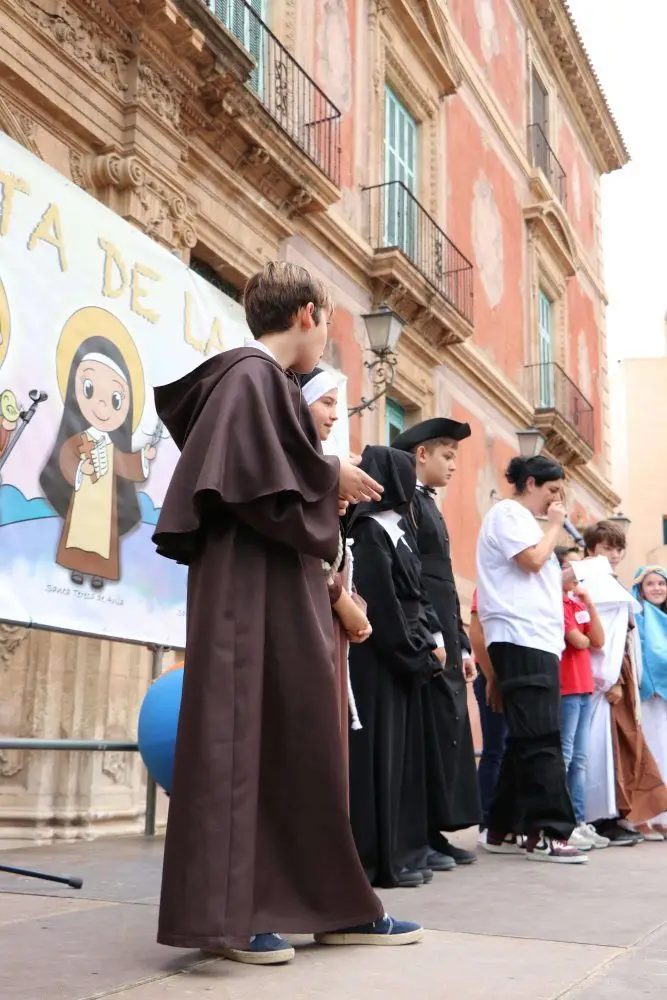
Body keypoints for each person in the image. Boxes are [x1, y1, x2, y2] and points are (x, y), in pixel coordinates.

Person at [152, 261, 423, 966]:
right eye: (326, 323)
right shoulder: (251, 375)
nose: (325, 338)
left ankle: (328, 905)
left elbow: (264, 479)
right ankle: (231, 916)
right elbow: (253, 486)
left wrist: (322, 479)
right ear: (306, 315)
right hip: (248, 592)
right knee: (240, 736)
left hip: (272, 583)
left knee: (295, 738)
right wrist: (329, 476)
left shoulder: (258, 382)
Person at [476, 454, 585, 863]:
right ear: (530, 483)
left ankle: (501, 826)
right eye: (552, 490)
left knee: (526, 736)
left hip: (533, 641)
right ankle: (549, 833)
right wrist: (555, 525)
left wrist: (565, 577)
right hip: (521, 639)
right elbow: (532, 561)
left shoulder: (523, 522)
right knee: (542, 737)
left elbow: (533, 575)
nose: (557, 500)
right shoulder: (508, 514)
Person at [347, 445, 441, 888]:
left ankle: (402, 853)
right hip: (381, 661)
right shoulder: (370, 530)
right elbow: (381, 604)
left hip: (403, 659)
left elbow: (415, 595)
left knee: (400, 762)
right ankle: (378, 860)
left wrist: (426, 645)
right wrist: (413, 652)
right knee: (378, 760)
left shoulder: (394, 529)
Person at [392, 418, 480, 867]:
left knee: (446, 732)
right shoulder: (406, 503)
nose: (453, 466)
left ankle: (436, 829)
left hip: (445, 635)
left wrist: (461, 644)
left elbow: (445, 583)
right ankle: (419, 834)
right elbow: (413, 580)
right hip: (426, 636)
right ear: (421, 454)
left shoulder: (428, 503)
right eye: (447, 456)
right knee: (426, 733)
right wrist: (431, 635)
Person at [300, 367, 372, 776]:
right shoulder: (300, 472)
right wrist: (344, 603)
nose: (334, 415)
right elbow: (308, 557)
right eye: (326, 403)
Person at [582, 522, 667, 846]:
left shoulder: (608, 582)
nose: (614, 555)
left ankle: (613, 816)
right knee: (599, 751)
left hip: (618, 681)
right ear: (592, 548)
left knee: (616, 752)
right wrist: (613, 679)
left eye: (618, 549)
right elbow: (604, 640)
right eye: (607, 548)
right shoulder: (591, 582)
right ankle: (601, 818)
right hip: (604, 682)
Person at [554, 546, 608, 851]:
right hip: (566, 688)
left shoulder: (577, 604)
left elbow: (597, 640)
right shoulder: (555, 602)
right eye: (570, 567)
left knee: (580, 759)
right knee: (565, 756)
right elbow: (578, 641)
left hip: (584, 686)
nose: (577, 574)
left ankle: (577, 820)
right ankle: (561, 821)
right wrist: (583, 637)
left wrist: (590, 604)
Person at [469, 586, 508, 846]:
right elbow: (476, 634)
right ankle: (487, 820)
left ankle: (506, 821)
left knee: (510, 749)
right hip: (490, 673)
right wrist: (491, 676)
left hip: (514, 671)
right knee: (495, 749)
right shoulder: (487, 586)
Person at [632, 565, 667, 839]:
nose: (657, 588)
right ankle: (641, 816)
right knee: (648, 753)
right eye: (650, 584)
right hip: (649, 695)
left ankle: (662, 816)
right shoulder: (639, 615)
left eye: (662, 583)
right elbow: (641, 653)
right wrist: (650, 684)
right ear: (641, 590)